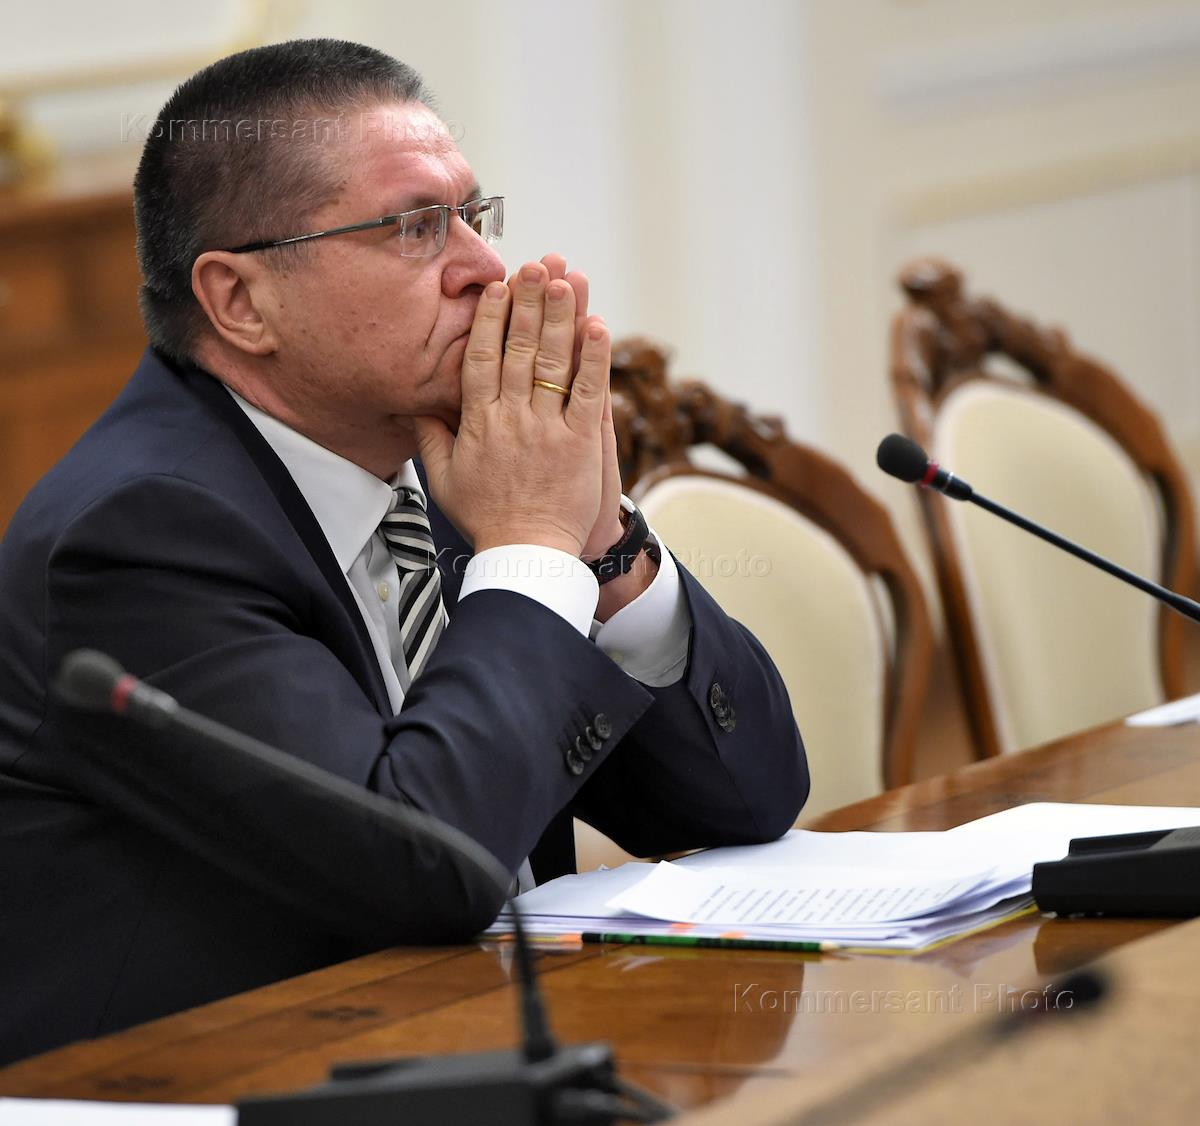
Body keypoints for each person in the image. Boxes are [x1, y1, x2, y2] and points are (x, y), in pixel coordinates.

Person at [0, 39, 808, 1064]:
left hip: (485, 1044)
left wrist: (601, 549)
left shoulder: (445, 457)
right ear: (241, 302)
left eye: (474, 215)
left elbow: (746, 799)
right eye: (417, 228)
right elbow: (425, 868)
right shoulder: (141, 536)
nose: (484, 268)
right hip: (222, 1083)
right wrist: (532, 543)